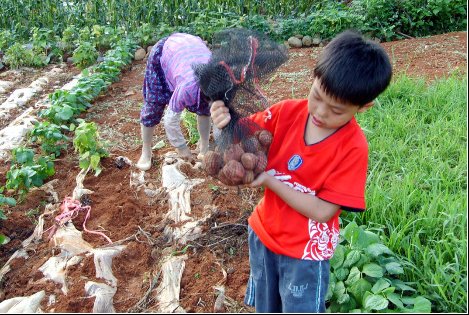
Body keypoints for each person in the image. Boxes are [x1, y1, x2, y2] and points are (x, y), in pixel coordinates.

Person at [210, 30, 392, 313]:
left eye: (336, 110)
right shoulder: (286, 113)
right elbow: (242, 137)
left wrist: (269, 180)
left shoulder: (353, 148)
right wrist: (224, 120)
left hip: (305, 253)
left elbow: (322, 211)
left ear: (363, 107)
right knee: (266, 307)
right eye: (317, 96)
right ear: (314, 78)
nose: (320, 112)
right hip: (263, 235)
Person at [136, 32, 213, 171]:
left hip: (189, 50)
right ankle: (146, 151)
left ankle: (204, 148)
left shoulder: (222, 81)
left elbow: (219, 115)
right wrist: (181, 147)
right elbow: (170, 119)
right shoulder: (188, 88)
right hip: (166, 52)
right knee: (154, 105)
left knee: (205, 109)